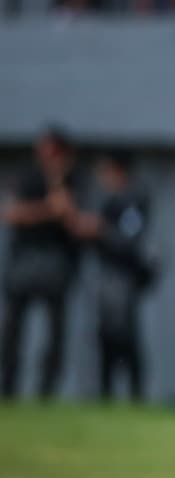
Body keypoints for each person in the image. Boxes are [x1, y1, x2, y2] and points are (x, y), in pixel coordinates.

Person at [1, 126, 85, 400]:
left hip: (56, 262)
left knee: (55, 333)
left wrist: (59, 185)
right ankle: (8, 388)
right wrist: (49, 209)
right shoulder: (27, 178)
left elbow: (74, 220)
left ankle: (46, 392)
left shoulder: (72, 180)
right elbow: (12, 213)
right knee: (13, 330)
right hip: (25, 259)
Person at [86, 149, 157, 400]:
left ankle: (135, 393)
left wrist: (100, 231)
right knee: (106, 336)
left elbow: (130, 240)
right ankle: (105, 393)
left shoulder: (133, 199)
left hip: (124, 275)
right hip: (107, 273)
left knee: (124, 335)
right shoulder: (105, 198)